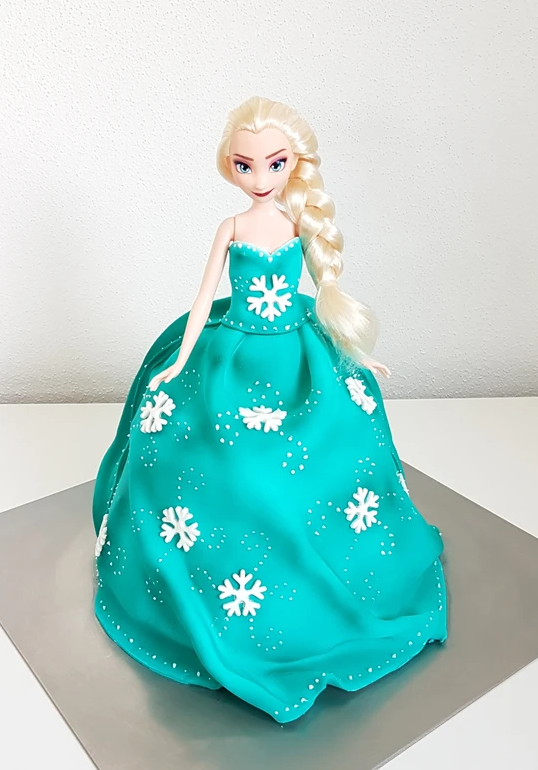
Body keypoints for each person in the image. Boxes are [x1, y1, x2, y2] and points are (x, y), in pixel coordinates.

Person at [92, 95, 447, 724]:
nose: (260, 177)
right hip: (232, 358)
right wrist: (178, 361)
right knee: (214, 454)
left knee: (330, 442)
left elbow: (330, 296)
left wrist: (360, 357)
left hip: (296, 358)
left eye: (274, 163)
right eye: (245, 165)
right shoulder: (230, 228)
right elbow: (202, 300)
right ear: (230, 166)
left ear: (293, 164)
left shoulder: (298, 226)